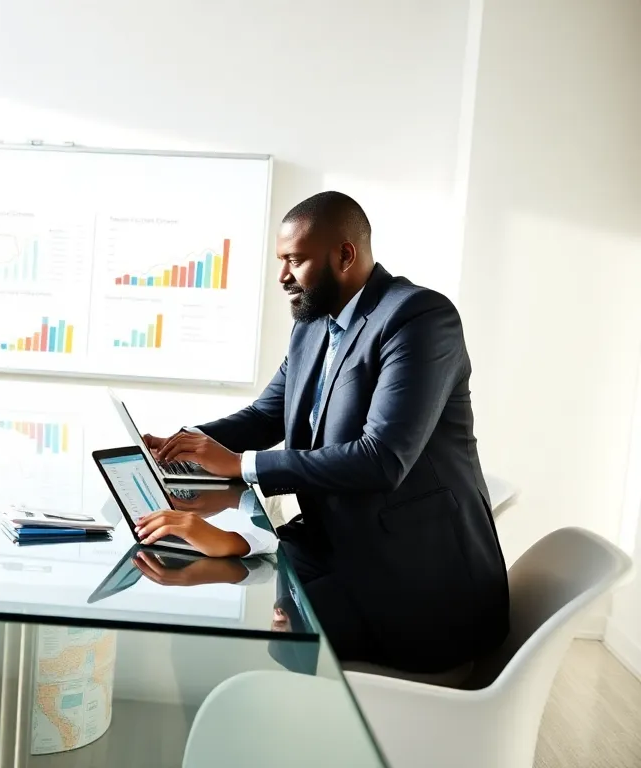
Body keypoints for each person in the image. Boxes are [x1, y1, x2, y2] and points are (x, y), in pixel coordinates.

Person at [143, 191, 509, 673]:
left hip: (419, 583)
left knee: (241, 646)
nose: (282, 277)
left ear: (344, 254)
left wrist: (241, 465)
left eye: (294, 260)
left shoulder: (419, 318)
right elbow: (265, 416)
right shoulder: (312, 326)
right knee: (213, 595)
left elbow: (382, 458)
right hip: (336, 547)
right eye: (281, 261)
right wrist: (177, 447)